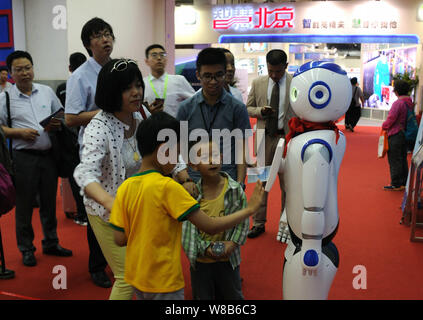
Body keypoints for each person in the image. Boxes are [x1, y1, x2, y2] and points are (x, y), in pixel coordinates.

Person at [109, 111, 264, 300]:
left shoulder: (125, 187)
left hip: (136, 278)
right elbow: (210, 225)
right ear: (164, 151)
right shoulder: (168, 188)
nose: (178, 160)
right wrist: (250, 209)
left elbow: (119, 238)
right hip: (164, 281)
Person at [74, 58, 149, 299]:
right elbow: (85, 174)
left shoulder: (140, 115)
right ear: (112, 92)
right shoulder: (99, 126)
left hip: (137, 207)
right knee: (126, 276)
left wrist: (181, 172)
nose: (136, 92)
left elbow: (163, 146)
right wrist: (110, 202)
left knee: (142, 269)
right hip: (107, 212)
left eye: (138, 85)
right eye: (128, 88)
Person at [0, 50, 72, 267]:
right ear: (11, 73)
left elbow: (60, 115)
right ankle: (26, 248)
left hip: (48, 155)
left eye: (27, 68)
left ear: (33, 68)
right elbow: (0, 128)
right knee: (24, 206)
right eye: (19, 69)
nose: (24, 73)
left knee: (49, 203)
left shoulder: (46, 91)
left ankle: (51, 242)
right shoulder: (5, 98)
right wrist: (18, 133)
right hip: (23, 158)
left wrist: (56, 124)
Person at [64, 17, 114, 288]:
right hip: (95, 151)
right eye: (98, 36)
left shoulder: (120, 69)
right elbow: (71, 118)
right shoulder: (80, 76)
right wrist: (106, 111)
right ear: (88, 44)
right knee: (98, 207)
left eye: (108, 34)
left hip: (121, 147)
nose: (105, 39)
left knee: (121, 205)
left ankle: (120, 258)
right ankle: (96, 265)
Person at [182, 138, 248, 300]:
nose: (212, 160)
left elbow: (243, 220)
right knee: (202, 296)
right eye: (205, 158)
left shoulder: (234, 190)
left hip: (228, 259)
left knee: (232, 295)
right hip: (201, 262)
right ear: (193, 165)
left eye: (215, 155)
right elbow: (187, 232)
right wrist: (205, 248)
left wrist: (232, 244)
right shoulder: (191, 196)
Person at [177, 47, 251, 186]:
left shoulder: (237, 108)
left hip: (228, 181)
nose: (213, 81)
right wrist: (186, 179)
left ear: (225, 74)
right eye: (207, 76)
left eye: (218, 75)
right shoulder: (185, 108)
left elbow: (242, 150)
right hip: (195, 182)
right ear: (198, 75)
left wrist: (240, 184)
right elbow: (178, 148)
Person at [246, 49, 295, 238]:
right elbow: (248, 108)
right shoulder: (258, 83)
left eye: (279, 71)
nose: (274, 75)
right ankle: (258, 223)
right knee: (260, 182)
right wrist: (261, 111)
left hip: (288, 138)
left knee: (288, 184)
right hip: (263, 138)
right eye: (270, 71)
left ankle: (287, 223)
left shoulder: (295, 83)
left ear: (286, 67)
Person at [56, 52, 88, 225]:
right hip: (88, 137)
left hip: (68, 140)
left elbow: (59, 114)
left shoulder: (62, 87)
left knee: (76, 179)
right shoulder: (91, 83)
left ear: (69, 68)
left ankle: (82, 213)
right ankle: (88, 213)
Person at [143, 44, 195, 117]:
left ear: (166, 59)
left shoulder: (179, 80)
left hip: (175, 127)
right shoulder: (142, 84)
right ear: (146, 61)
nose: (159, 58)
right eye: (154, 55)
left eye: (162, 55)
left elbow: (194, 102)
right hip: (150, 126)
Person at [382, 79, 413, 191]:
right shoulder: (409, 102)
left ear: (396, 91)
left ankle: (396, 183)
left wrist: (384, 125)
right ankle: (404, 182)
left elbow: (391, 119)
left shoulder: (398, 103)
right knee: (402, 158)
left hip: (395, 133)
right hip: (405, 133)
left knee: (394, 159)